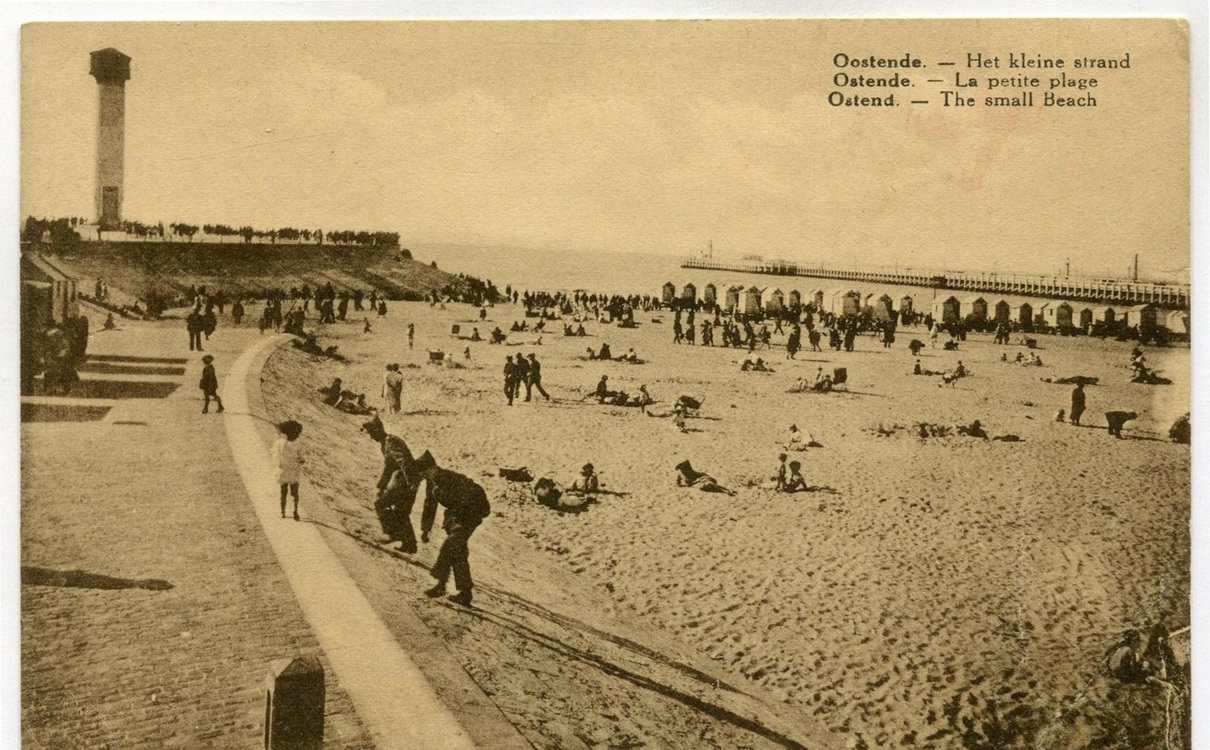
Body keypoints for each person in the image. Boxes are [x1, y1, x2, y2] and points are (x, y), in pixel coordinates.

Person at [417, 451, 492, 607]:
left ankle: (441, 585)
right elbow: (430, 505)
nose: (424, 476)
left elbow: (469, 497)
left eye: (425, 472)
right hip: (454, 517)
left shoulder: (449, 477)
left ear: (432, 468)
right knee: (458, 551)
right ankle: (465, 593)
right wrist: (426, 529)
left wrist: (459, 519)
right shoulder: (432, 483)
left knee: (450, 546)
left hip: (470, 514)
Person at [362, 415, 421, 550]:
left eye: (372, 433)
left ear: (378, 430)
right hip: (410, 480)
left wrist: (381, 487)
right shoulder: (386, 443)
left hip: (406, 480)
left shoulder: (391, 441)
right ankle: (409, 545)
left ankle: (390, 533)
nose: (371, 437)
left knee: (380, 503)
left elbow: (399, 463)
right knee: (402, 512)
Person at [273, 420, 304, 520]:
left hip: (283, 470)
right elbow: (302, 459)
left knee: (283, 491)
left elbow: (275, 456)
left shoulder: (279, 442)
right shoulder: (298, 444)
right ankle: (295, 511)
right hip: (294, 471)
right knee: (295, 493)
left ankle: (282, 512)